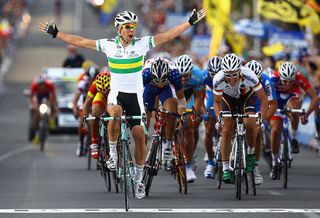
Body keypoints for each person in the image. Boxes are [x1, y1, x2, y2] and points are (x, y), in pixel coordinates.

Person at [39, 9, 207, 199]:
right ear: (119, 29)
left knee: (139, 136)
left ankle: (139, 179)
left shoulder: (142, 44)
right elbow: (81, 41)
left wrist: (190, 22)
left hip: (136, 96)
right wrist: (56, 33)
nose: (131, 30)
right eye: (128, 27)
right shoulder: (109, 45)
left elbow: (168, 35)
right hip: (117, 95)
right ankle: (112, 153)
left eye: (134, 26)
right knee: (115, 113)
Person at [212, 53, 268, 183]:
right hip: (228, 99)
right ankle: (226, 168)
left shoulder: (249, 75)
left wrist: (261, 120)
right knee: (226, 130)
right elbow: (216, 102)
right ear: (223, 72)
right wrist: (218, 118)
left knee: (250, 125)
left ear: (239, 70)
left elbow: (264, 100)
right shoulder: (218, 78)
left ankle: (250, 154)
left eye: (234, 74)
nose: (231, 78)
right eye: (228, 75)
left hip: (246, 98)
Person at [269, 62, 318, 180]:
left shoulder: (299, 77)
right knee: (275, 130)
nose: (288, 84)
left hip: (292, 96)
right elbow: (264, 98)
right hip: (277, 98)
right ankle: (275, 163)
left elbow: (315, 97)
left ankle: (294, 136)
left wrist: (306, 114)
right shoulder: (272, 78)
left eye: (291, 81)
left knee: (294, 109)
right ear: (280, 77)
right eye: (285, 81)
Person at [142, 57, 186, 170]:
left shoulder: (174, 75)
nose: (160, 84)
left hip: (167, 88)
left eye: (162, 81)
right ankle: (142, 148)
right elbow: (138, 97)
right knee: (144, 116)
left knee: (170, 113)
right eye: (158, 82)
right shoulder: (144, 75)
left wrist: (181, 116)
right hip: (149, 87)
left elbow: (181, 100)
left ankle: (167, 144)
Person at [245, 60, 277, 185]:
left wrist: (262, 121)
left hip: (259, 102)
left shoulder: (266, 80)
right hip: (244, 100)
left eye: (257, 79)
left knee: (257, 133)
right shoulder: (241, 76)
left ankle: (255, 167)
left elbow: (273, 105)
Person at [175, 54, 206, 183]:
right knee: (172, 119)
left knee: (190, 126)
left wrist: (195, 113)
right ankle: (169, 144)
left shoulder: (198, 75)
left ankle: (188, 163)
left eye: (186, 76)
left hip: (190, 96)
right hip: (175, 95)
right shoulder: (172, 74)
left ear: (191, 72)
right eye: (180, 76)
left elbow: (199, 97)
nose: (183, 79)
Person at [82, 71, 111, 160]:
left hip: (113, 96)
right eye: (102, 90)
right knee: (95, 112)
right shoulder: (94, 86)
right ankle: (94, 141)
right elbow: (86, 104)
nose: (105, 92)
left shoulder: (116, 83)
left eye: (106, 90)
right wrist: (85, 120)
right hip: (100, 98)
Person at [201, 56, 222, 179]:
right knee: (208, 130)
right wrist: (204, 112)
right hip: (211, 93)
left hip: (225, 93)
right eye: (212, 74)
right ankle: (210, 162)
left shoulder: (226, 75)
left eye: (217, 74)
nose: (214, 76)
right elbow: (199, 93)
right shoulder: (204, 76)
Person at [73, 65, 100, 156]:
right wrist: (74, 108)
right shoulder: (83, 82)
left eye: (94, 78)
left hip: (96, 103)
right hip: (85, 103)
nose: (91, 80)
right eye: (90, 78)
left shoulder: (100, 81)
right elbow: (76, 97)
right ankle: (80, 142)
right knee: (82, 122)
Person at [29, 74, 58, 143]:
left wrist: (54, 104)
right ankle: (37, 129)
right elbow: (32, 97)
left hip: (47, 95)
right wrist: (33, 105)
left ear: (45, 83)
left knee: (53, 106)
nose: (41, 86)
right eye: (39, 84)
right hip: (38, 96)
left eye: (42, 84)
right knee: (36, 111)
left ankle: (51, 119)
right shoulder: (34, 86)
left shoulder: (50, 85)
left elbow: (53, 96)